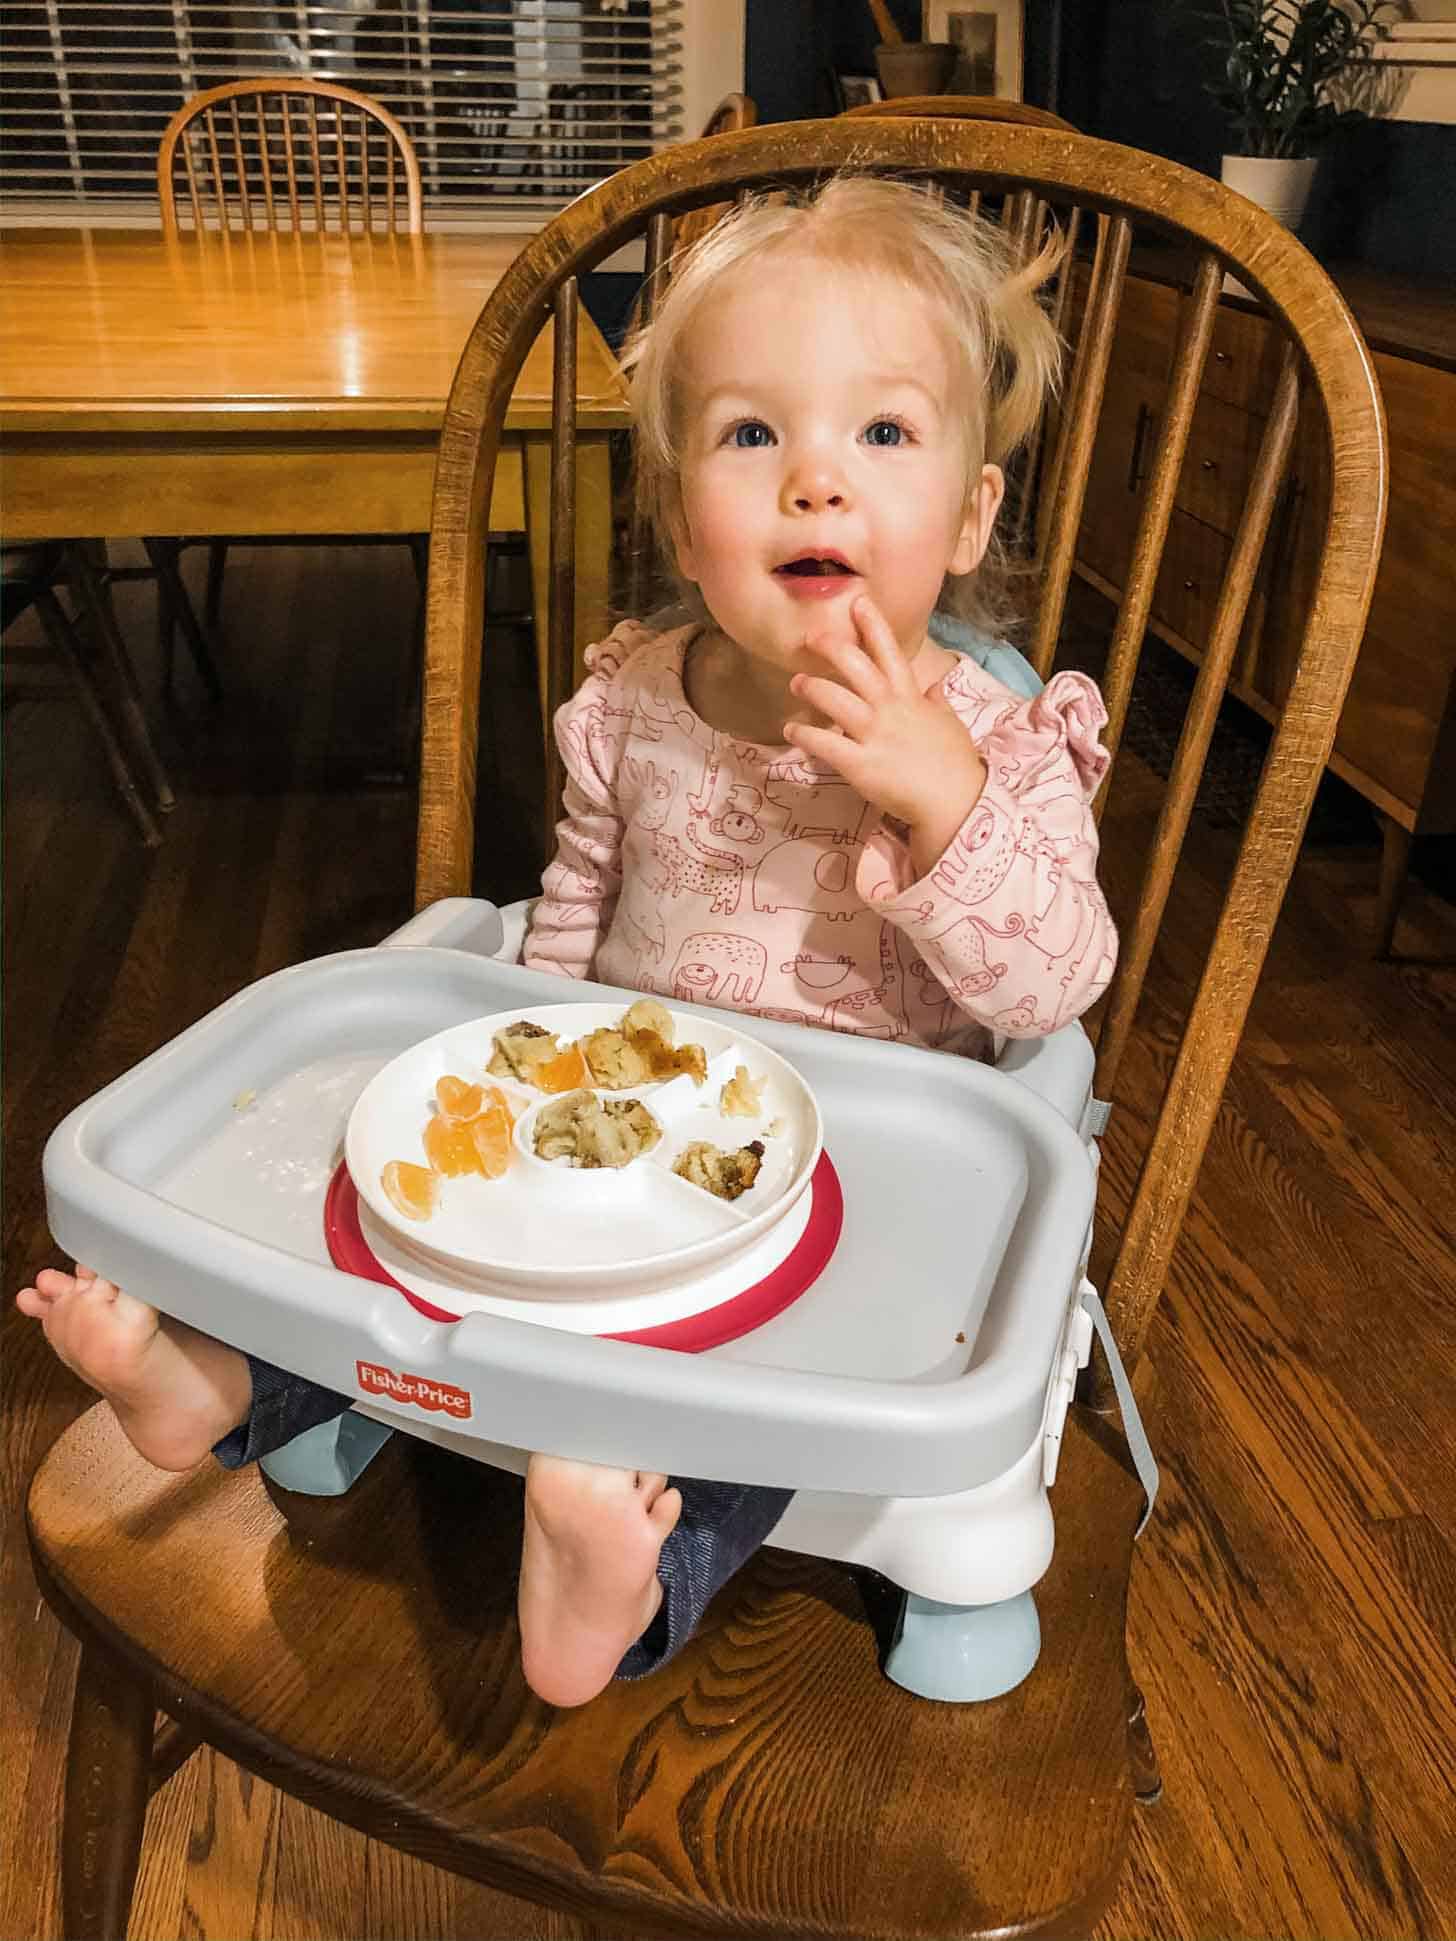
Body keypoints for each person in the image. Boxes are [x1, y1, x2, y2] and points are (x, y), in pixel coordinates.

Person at [17, 176, 1116, 1710]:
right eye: (752, 435)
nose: (815, 482)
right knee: (390, 1236)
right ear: (678, 510)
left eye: (881, 434)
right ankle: (222, 1379)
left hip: (844, 1222)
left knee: (752, 1412)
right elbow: (579, 905)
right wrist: (509, 1079)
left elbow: (1059, 979)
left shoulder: (1001, 739)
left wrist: (940, 797)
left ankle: (616, 1578)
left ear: (974, 508)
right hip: (608, 1160)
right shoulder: (632, 703)